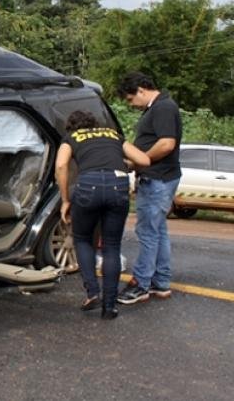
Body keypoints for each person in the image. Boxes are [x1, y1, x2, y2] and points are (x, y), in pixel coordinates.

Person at [55, 110, 150, 319]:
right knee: (112, 246)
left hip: (88, 185)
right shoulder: (112, 134)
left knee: (82, 239)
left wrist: (65, 201)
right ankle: (110, 307)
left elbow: (61, 165)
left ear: (72, 127)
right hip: (118, 185)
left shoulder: (72, 137)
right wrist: (125, 164)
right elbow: (144, 160)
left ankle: (92, 292)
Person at [116, 72, 182, 304]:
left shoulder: (163, 107)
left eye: (130, 99)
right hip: (160, 177)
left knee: (147, 233)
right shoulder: (158, 107)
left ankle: (141, 284)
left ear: (141, 90)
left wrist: (141, 160)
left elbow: (166, 143)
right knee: (158, 231)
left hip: (158, 178)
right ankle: (160, 282)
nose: (131, 105)